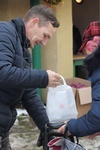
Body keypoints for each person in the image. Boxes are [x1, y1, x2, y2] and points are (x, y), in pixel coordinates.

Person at [0, 4, 63, 149]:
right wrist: (43, 77)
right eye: (45, 35)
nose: (44, 42)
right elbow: (2, 72)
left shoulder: (24, 50)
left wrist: (47, 127)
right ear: (34, 22)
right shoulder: (4, 32)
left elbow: (28, 93)